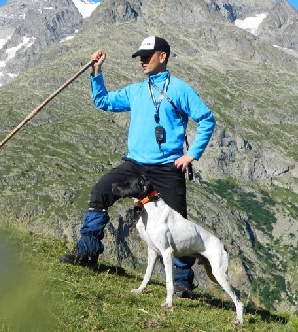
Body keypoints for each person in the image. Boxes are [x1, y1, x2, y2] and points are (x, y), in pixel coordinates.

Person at [59, 36, 216, 297]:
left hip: (168, 167)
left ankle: (182, 284)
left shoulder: (180, 89)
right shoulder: (136, 91)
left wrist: (192, 155)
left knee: (177, 222)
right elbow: (103, 102)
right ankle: (87, 252)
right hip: (134, 165)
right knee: (100, 192)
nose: (141, 61)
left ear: (162, 56)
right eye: (140, 57)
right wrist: (96, 72)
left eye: (147, 56)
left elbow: (206, 119)